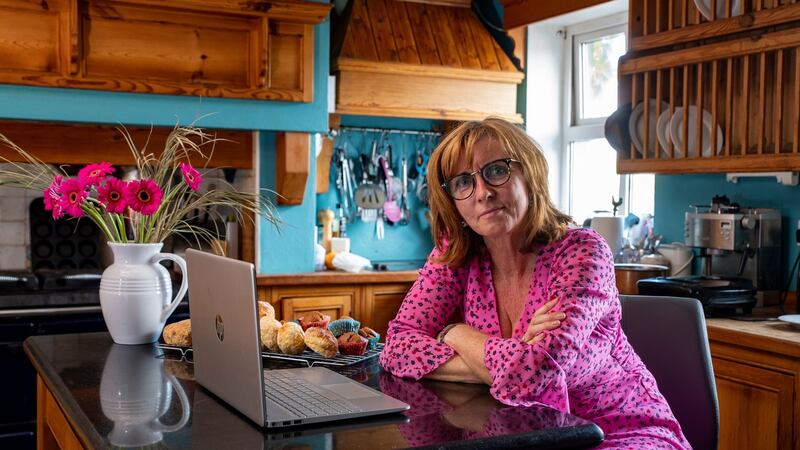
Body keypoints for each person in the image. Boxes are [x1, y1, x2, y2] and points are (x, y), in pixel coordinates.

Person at [379, 118, 689, 449]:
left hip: (616, 430)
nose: (482, 193)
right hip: (516, 434)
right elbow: (396, 348)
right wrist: (510, 360)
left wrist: (455, 334)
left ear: (529, 172)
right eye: (462, 182)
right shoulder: (454, 256)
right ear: (453, 202)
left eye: (496, 171)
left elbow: (531, 380)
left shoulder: (582, 252)